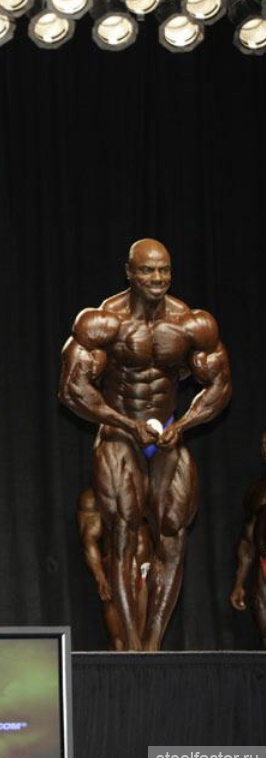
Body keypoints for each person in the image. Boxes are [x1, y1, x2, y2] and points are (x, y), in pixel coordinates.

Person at [59, 238, 231, 650]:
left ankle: (153, 645)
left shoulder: (191, 323)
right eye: (148, 270)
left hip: (167, 431)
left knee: (173, 531)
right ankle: (132, 646)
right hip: (120, 431)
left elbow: (220, 384)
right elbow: (71, 389)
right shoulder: (104, 322)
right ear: (130, 273)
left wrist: (185, 423)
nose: (157, 278)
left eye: (164, 270)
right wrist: (123, 422)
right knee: (123, 531)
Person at [77, 488, 151, 650]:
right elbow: (88, 538)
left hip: (145, 569)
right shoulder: (94, 497)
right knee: (119, 642)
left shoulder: (147, 489)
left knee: (144, 642)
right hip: (116, 569)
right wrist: (99, 575)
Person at [229, 432, 266, 648]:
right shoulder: (257, 491)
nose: (265, 448)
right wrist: (239, 583)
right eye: (264, 444)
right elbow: (247, 540)